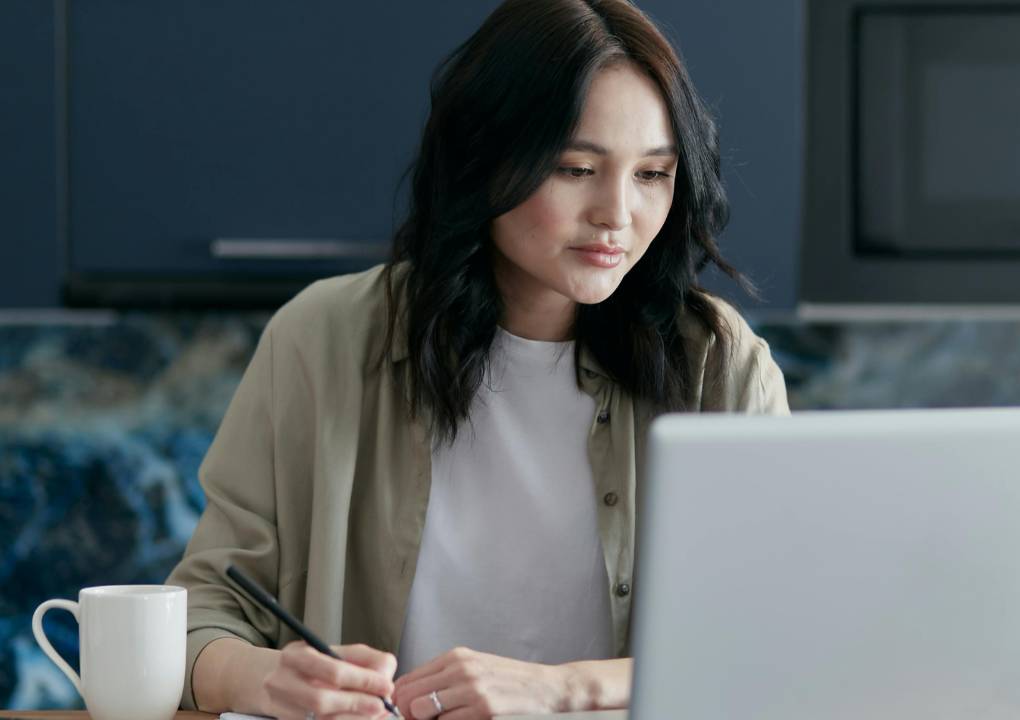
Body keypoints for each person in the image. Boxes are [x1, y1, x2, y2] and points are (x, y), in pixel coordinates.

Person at [165, 0, 789, 718]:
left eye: (653, 174)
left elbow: (777, 640)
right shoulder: (322, 339)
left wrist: (564, 688)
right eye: (577, 167)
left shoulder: (717, 362)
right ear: (485, 160)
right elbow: (196, 612)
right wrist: (263, 677)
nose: (617, 213)